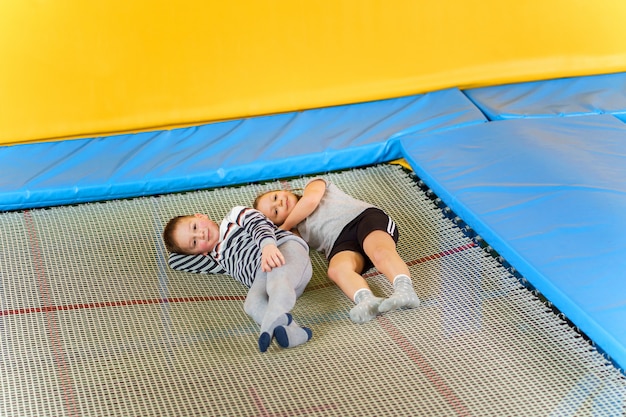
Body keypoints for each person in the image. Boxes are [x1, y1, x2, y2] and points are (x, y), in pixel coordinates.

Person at [254, 177, 420, 324]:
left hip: (362, 219)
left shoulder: (313, 185)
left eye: (275, 197)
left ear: (281, 190)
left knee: (379, 253)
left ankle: (404, 290)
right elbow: (292, 248)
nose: (280, 203)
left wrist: (284, 226)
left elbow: (311, 201)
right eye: (276, 211)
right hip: (339, 244)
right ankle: (367, 300)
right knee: (336, 270)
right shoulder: (296, 229)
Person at [162, 206, 312, 352]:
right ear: (198, 253)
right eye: (194, 242)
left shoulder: (232, 218)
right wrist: (193, 249)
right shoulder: (217, 259)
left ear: (200, 216)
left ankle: (268, 326)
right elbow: (175, 261)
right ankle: (295, 334)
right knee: (252, 304)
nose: (200, 235)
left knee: (277, 281)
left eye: (194, 227)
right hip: (265, 275)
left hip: (283, 250)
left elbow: (257, 223)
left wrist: (267, 246)